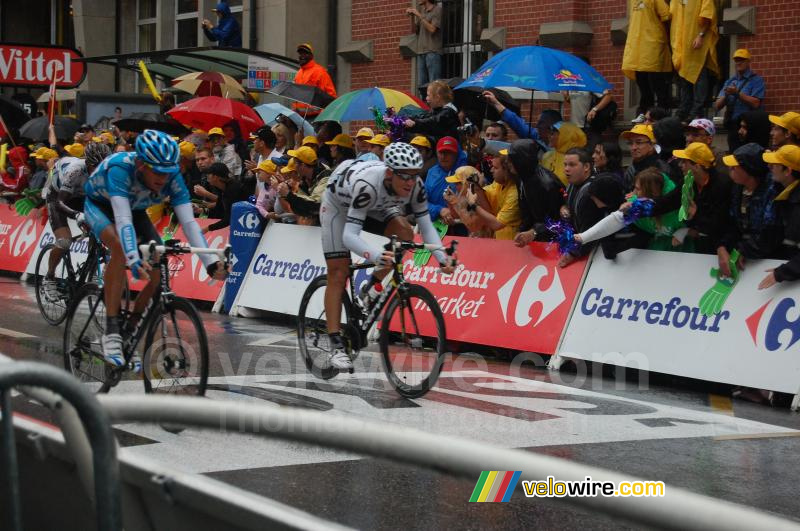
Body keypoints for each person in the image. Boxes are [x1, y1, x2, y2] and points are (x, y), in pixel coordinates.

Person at [82, 130, 227, 368]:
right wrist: (133, 257)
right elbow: (123, 220)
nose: (163, 178)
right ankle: (112, 331)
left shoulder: (172, 176)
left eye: (168, 171)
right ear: (141, 164)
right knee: (119, 246)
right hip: (101, 206)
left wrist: (210, 264)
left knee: (158, 271)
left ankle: (129, 331)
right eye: (157, 171)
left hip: (136, 210)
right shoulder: (120, 168)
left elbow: (189, 224)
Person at [320, 143, 456, 369]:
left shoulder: (415, 186)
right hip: (338, 206)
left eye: (415, 175)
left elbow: (426, 226)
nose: (411, 182)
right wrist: (376, 255)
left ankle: (371, 287)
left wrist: (442, 258)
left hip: (378, 203)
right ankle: (336, 344)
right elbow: (349, 236)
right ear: (390, 172)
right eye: (405, 176)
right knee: (338, 272)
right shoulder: (367, 185)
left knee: (405, 234)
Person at [41, 143, 113, 300]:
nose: (100, 170)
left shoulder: (108, 172)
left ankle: (92, 268)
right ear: (88, 163)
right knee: (64, 241)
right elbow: (60, 203)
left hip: (81, 197)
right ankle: (49, 277)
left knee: (99, 230)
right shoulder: (76, 170)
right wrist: (76, 215)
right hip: (58, 197)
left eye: (103, 166)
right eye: (96, 166)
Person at [717, 142, 781, 275]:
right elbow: (732, 224)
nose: (730, 169)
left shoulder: (772, 192)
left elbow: (770, 235)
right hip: (745, 257)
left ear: (750, 170)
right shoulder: (737, 188)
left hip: (769, 263)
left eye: (735, 167)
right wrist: (722, 246)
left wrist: (743, 250)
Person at [670, 142, 731, 253]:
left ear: (697, 167)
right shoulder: (688, 181)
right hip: (702, 243)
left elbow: (718, 225)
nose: (680, 165)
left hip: (721, 247)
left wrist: (696, 215)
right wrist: (643, 207)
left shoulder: (722, 186)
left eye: (684, 162)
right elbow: (668, 201)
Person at [506, 140, 565, 247]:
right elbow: (525, 210)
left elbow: (558, 220)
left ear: (521, 161)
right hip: (537, 236)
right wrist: (522, 231)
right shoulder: (521, 177)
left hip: (556, 241)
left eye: (511, 160)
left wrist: (534, 232)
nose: (507, 163)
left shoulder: (548, 185)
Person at [622, 0, 672, 124]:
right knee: (642, 82)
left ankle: (661, 113)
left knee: (657, 82)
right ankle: (645, 112)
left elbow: (666, 16)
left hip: (652, 43)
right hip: (638, 46)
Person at [670, 0, 720, 122]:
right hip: (682, 46)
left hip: (696, 44)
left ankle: (697, 110)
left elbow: (708, 14)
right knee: (684, 79)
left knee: (699, 76)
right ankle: (684, 110)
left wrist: (701, 35)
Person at [759, 145, 800, 289]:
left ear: (788, 171)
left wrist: (783, 272)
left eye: (775, 164)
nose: (769, 167)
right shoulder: (782, 193)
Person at [457, 153, 521, 240]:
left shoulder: (514, 193)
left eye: (495, 168)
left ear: (507, 170)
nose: (491, 170)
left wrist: (473, 205)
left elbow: (496, 224)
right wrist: (477, 187)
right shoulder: (499, 183)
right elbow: (486, 202)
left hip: (513, 242)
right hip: (500, 239)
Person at [714, 49, 765, 153]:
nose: (738, 63)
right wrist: (726, 96)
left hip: (749, 126)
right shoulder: (730, 81)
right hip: (733, 126)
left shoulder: (756, 80)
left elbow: (756, 103)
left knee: (749, 154)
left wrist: (737, 93)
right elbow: (717, 106)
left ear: (748, 62)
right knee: (734, 154)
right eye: (736, 60)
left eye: (742, 60)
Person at [275, 146, 331, 224]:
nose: (294, 167)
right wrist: (288, 191)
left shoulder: (325, 178)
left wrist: (288, 194)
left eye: (295, 163)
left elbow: (313, 207)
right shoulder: (305, 177)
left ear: (303, 165)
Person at [424, 136, 467, 230]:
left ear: (456, 154)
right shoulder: (432, 172)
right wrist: (439, 210)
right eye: (441, 152)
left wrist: (454, 212)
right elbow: (421, 202)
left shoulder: (466, 173)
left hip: (461, 226)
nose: (443, 156)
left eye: (448, 153)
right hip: (435, 225)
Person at [620, 124, 671, 192]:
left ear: (651, 145)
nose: (633, 147)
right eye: (630, 143)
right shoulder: (631, 168)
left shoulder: (661, 169)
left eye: (639, 142)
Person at [294, 43, 337, 118]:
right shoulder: (299, 73)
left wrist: (323, 116)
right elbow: (295, 95)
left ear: (311, 56)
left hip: (316, 117)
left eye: (305, 53)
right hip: (300, 117)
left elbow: (330, 96)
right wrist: (295, 108)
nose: (302, 56)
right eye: (300, 53)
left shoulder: (320, 71)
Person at [407, 0, 443, 87]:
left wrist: (419, 15)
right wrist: (412, 17)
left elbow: (432, 29)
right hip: (421, 52)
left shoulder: (437, 10)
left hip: (432, 51)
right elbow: (414, 31)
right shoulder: (422, 11)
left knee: (434, 85)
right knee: (421, 85)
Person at [541, 121, 587, 186]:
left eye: (552, 134)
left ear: (564, 136)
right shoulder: (547, 156)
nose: (549, 136)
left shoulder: (578, 158)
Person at [203, 162, 243, 233]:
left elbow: (229, 218)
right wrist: (202, 210)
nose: (207, 176)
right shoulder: (221, 189)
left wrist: (208, 228)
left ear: (215, 177)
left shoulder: (233, 189)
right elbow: (218, 209)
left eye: (209, 174)